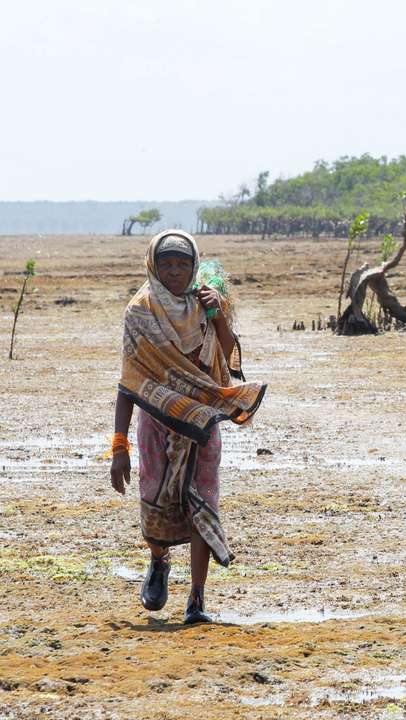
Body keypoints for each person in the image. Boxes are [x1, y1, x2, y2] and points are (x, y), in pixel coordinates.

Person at [109, 230, 266, 623]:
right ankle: (158, 559)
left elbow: (228, 355)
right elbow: (130, 382)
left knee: (202, 501)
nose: (175, 271)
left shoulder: (206, 303)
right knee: (155, 498)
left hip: (202, 419)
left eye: (183, 264)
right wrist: (118, 447)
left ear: (195, 266)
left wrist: (217, 312)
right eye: (167, 264)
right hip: (156, 422)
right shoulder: (140, 311)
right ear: (153, 266)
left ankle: (196, 600)